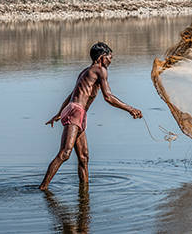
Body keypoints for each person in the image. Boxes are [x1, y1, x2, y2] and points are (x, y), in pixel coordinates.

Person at [39, 42, 142, 190]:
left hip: (77, 112)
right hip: (76, 112)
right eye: (110, 57)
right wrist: (130, 109)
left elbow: (71, 95)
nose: (111, 61)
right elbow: (108, 97)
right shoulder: (100, 70)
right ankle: (43, 188)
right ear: (101, 58)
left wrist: (59, 113)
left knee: (83, 157)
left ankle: (84, 191)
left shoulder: (86, 71)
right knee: (65, 153)